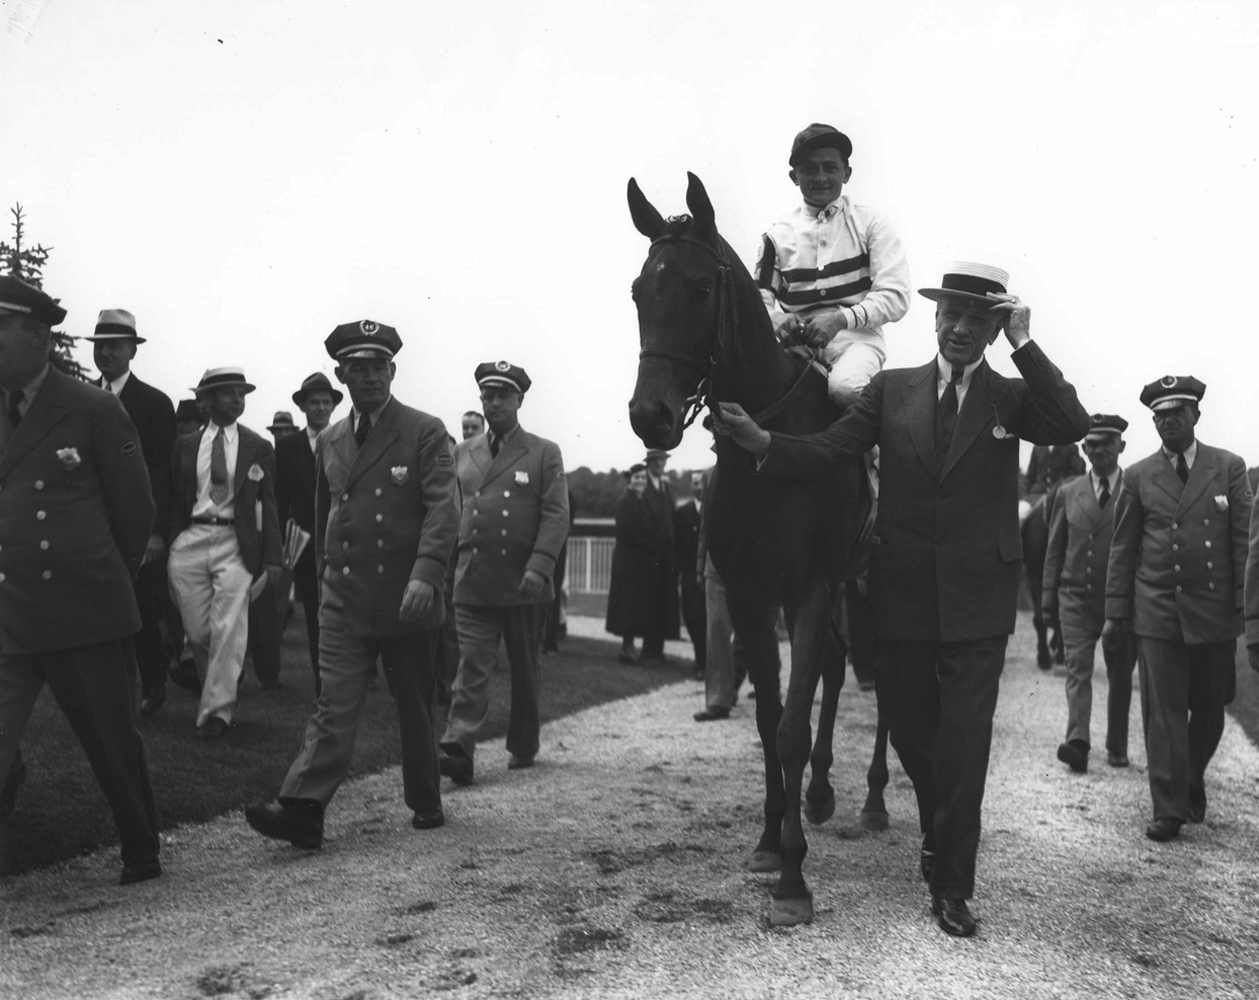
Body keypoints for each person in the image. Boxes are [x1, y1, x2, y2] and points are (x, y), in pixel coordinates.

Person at [713, 262, 1090, 937]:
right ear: (934, 318)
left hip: (977, 603)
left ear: (993, 326)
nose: (960, 329)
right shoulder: (890, 391)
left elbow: (1069, 421)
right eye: (951, 315)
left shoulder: (1008, 398)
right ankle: (936, 830)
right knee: (916, 739)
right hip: (903, 599)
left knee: (965, 746)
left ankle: (951, 885)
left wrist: (1025, 345)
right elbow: (830, 450)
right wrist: (764, 442)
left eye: (978, 319)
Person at [245, 319, 459, 845]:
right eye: (358, 368)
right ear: (341, 375)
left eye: (379, 367)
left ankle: (425, 799)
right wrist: (322, 577)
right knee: (333, 702)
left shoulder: (423, 429)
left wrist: (427, 575)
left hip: (406, 594)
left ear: (393, 370)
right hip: (344, 595)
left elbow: (443, 508)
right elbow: (325, 514)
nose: (370, 378)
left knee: (414, 702)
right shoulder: (333, 438)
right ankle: (303, 809)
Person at [0, 276, 161, 884]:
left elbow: (136, 509)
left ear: (38, 336)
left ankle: (141, 847)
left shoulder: (92, 407)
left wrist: (102, 579)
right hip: (11, 606)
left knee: (111, 742)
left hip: (83, 607)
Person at [1103, 376, 1250, 842]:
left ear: (1195, 416)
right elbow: (1122, 549)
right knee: (1163, 714)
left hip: (1214, 610)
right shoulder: (1138, 475)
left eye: (1176, 413)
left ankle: (1192, 776)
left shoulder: (1228, 467)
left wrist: (1249, 608)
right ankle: (1168, 806)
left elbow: (1244, 541)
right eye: (1159, 415)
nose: (1167, 421)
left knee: (1210, 708)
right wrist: (1115, 612)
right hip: (1158, 608)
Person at [438, 361, 569, 785]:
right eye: (487, 396)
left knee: (524, 668)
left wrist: (540, 565)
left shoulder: (543, 451)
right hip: (474, 576)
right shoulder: (463, 452)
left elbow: (555, 514)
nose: (495, 403)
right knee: (471, 665)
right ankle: (458, 746)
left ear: (520, 400)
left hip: (524, 581)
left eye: (503, 396)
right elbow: (449, 509)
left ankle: (524, 743)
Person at [753, 123, 910, 408]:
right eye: (810, 169)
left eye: (830, 167)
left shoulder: (871, 223)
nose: (821, 177)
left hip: (856, 340)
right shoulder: (776, 237)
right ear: (794, 177)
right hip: (793, 346)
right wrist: (775, 319)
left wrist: (840, 319)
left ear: (846, 173)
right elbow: (758, 299)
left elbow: (895, 296)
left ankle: (880, 452)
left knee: (846, 389)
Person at [167, 367, 282, 737]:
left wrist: (273, 558)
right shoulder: (186, 444)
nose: (238, 400)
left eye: (242, 394)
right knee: (199, 633)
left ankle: (217, 713)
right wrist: (172, 539)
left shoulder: (258, 446)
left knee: (226, 626)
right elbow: (174, 497)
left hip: (236, 541)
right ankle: (220, 682)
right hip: (192, 537)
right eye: (230, 393)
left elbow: (270, 503)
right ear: (209, 400)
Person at [83, 308, 177, 716]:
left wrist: (155, 532)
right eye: (100, 346)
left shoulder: (154, 403)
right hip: (89, 526)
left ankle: (153, 683)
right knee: (94, 609)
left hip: (136, 526)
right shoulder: (80, 396)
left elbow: (163, 471)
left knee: (138, 606)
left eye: (114, 346)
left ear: (131, 352)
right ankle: (107, 690)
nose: (105, 353)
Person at [1042, 414, 1137, 772]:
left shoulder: (1135, 489)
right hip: (1075, 597)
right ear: (1083, 449)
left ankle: (1117, 746)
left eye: (1106, 443)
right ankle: (1078, 742)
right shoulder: (1068, 493)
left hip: (1120, 602)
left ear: (1121, 447)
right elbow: (1054, 551)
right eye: (1091, 445)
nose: (1099, 451)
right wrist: (1048, 603)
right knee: (1078, 669)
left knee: (1119, 674)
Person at [275, 372, 342, 695]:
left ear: (333, 406)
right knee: (315, 614)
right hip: (305, 543)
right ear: (303, 407)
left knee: (348, 610)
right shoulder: (288, 447)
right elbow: (280, 497)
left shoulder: (348, 440)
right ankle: (322, 681)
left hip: (344, 541)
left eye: (325, 402)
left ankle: (357, 673)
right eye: (314, 402)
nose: (320, 408)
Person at [605, 464, 667, 664]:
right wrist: (652, 545)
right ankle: (627, 648)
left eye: (643, 478)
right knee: (627, 605)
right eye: (637, 477)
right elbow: (628, 531)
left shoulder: (643, 501)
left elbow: (652, 526)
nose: (640, 481)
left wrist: (659, 540)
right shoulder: (625, 501)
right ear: (629, 479)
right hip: (628, 562)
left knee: (636, 605)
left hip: (640, 562)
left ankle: (630, 648)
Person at [640, 448, 679, 662]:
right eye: (655, 460)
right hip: (649, 555)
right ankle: (648, 651)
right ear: (649, 462)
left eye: (662, 459)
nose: (660, 463)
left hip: (667, 556)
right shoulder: (641, 486)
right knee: (649, 604)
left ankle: (659, 649)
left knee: (664, 602)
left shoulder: (668, 488)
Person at [675, 470, 707, 679]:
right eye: (695, 484)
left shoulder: (714, 508)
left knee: (709, 620)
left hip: (709, 573)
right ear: (690, 486)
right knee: (692, 618)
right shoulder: (682, 512)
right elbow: (677, 544)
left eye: (702, 483)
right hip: (688, 573)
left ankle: (707, 664)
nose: (699, 487)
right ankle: (699, 659)